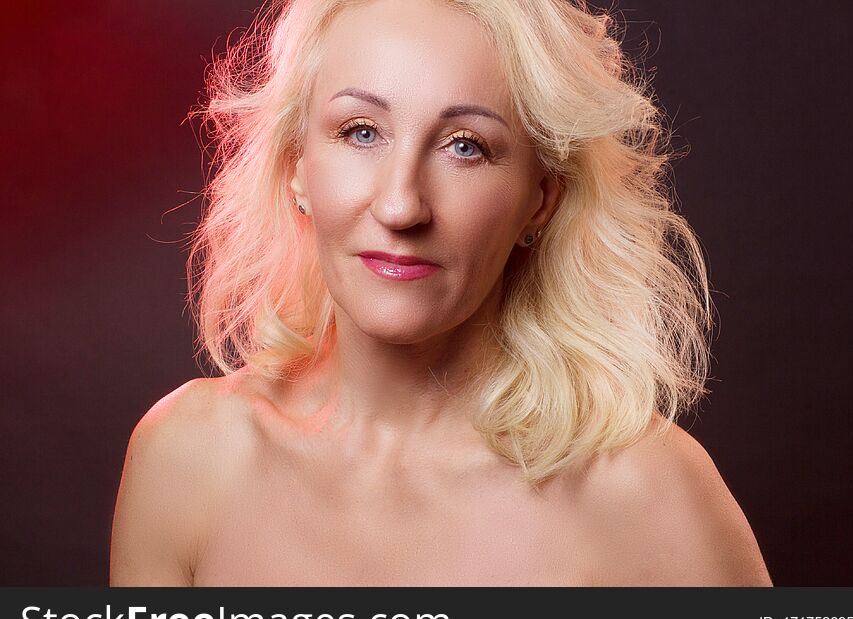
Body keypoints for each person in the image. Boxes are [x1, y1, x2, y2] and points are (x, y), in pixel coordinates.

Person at [110, 0, 772, 586]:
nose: (401, 205)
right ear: (296, 170)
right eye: (361, 131)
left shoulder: (644, 494)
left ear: (542, 202)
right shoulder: (187, 460)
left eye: (466, 146)